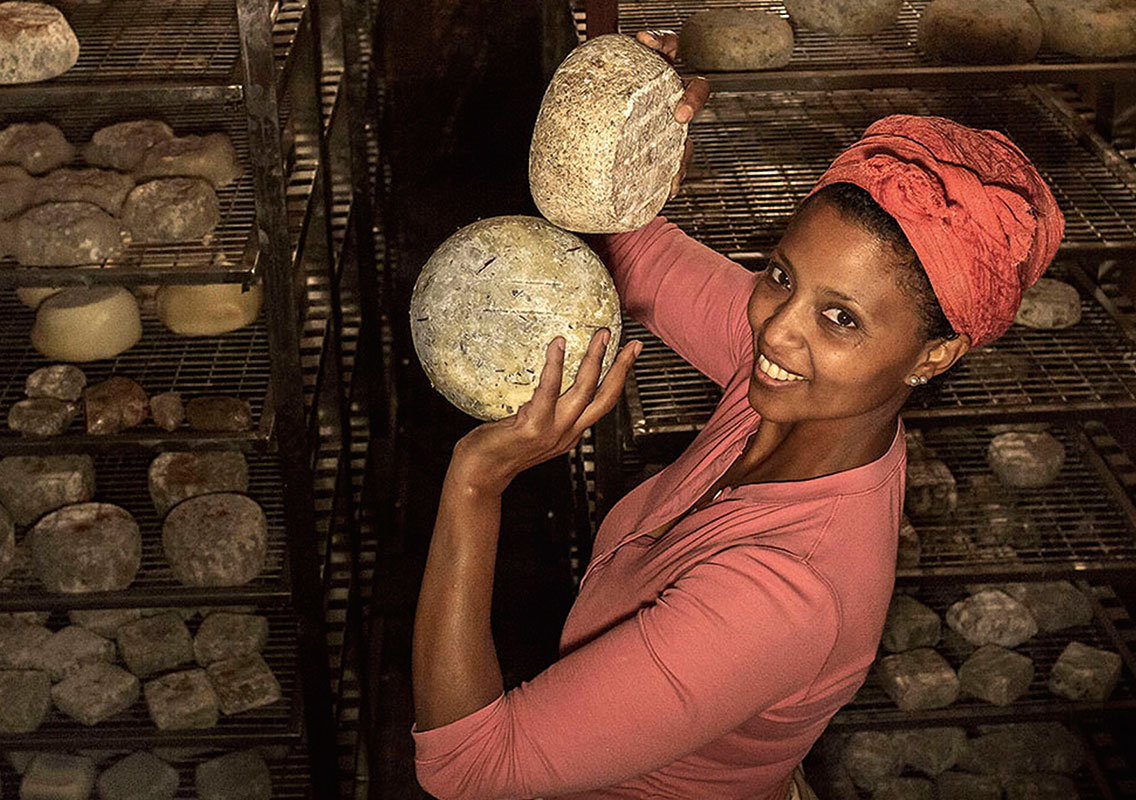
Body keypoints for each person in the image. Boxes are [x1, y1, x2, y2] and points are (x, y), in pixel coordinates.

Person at [410, 31, 1065, 800]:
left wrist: (474, 484)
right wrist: (629, 132)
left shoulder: (784, 595)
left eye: (841, 319)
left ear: (934, 355)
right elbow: (638, 254)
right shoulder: (797, 397)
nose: (777, 328)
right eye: (781, 274)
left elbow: (469, 771)